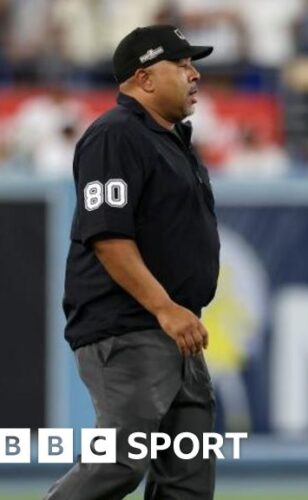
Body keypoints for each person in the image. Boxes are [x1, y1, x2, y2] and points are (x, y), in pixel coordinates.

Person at [47, 25, 218, 499]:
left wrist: (175, 314)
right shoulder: (115, 134)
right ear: (144, 78)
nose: (194, 74)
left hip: (177, 329)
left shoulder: (172, 140)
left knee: (186, 480)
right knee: (120, 460)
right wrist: (164, 308)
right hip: (130, 324)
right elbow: (108, 238)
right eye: (182, 65)